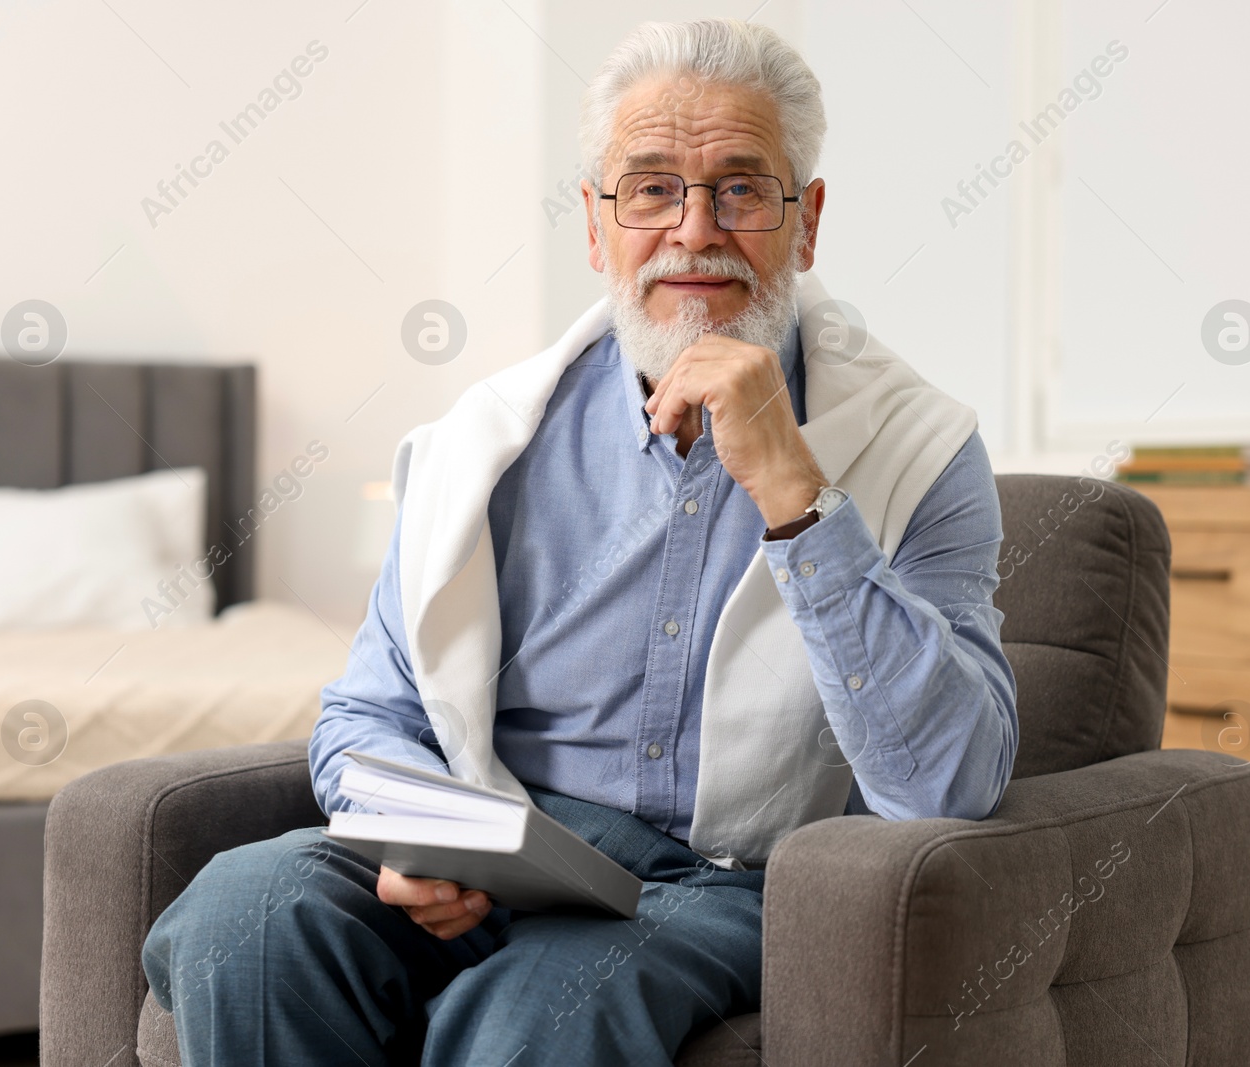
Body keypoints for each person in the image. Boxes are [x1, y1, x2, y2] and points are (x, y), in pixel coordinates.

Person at [143, 17, 1017, 1065]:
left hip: (725, 882)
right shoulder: (484, 440)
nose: (695, 230)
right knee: (241, 912)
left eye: (740, 188)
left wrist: (795, 494)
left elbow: (950, 783)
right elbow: (372, 708)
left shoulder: (924, 444)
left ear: (807, 220)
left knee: (537, 1012)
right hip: (499, 845)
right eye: (650, 188)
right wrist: (410, 835)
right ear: (597, 229)